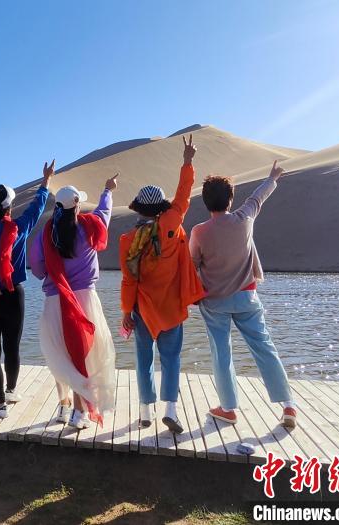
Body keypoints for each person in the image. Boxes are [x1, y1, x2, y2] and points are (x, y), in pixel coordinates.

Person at [189, 161, 297, 428]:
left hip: (214, 302)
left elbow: (192, 265)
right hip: (247, 298)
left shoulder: (199, 232)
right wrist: (272, 178)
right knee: (264, 347)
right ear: (230, 199)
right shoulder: (244, 218)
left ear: (205, 201)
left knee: (221, 352)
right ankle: (288, 405)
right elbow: (257, 198)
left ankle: (228, 408)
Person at [119, 134, 205, 433]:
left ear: (138, 208)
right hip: (171, 308)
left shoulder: (128, 240)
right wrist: (187, 161)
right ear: (161, 208)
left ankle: (145, 412)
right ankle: (170, 410)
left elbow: (128, 279)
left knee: (143, 359)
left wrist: (126, 311)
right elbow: (183, 196)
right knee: (171, 359)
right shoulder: (170, 224)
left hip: (143, 309)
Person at [0, 161, 54, 419]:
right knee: (12, 347)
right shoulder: (19, 228)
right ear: (9, 208)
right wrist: (46, 180)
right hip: (14, 294)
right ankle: (12, 391)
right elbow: (37, 207)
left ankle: (0, 404)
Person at [30, 175, 118, 430]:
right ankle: (79, 412)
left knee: (61, 355)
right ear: (77, 205)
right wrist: (107, 190)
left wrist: (55, 272)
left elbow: (37, 268)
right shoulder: (91, 226)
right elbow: (104, 212)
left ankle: (64, 406)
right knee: (84, 355)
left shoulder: (47, 234)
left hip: (55, 299)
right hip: (85, 300)